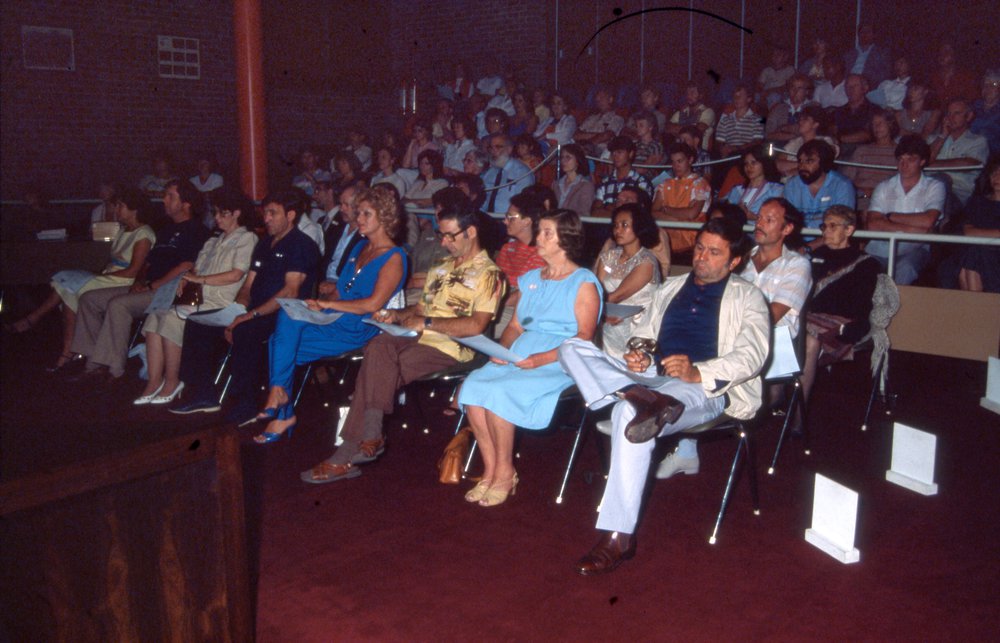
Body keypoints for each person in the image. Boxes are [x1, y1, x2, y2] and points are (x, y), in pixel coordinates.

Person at [557, 217, 769, 574]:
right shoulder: (670, 288)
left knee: (629, 417)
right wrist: (640, 357)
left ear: (734, 262)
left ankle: (618, 536)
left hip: (703, 387)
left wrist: (698, 371)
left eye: (714, 253)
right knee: (571, 348)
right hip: (654, 381)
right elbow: (642, 336)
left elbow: (752, 356)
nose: (701, 256)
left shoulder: (748, 298)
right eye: (700, 247)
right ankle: (635, 393)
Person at [299, 204, 505, 484]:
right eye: (440, 235)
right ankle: (370, 436)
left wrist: (427, 324)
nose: (443, 243)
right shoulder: (441, 268)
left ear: (470, 232)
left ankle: (347, 453)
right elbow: (419, 311)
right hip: (419, 337)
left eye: (449, 236)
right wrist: (397, 315)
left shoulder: (490, 274)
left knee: (377, 366)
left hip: (455, 347)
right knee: (380, 344)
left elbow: (476, 326)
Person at [458, 209, 601, 506]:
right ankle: (490, 470)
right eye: (540, 231)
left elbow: (584, 337)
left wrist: (539, 359)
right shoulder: (531, 278)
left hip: (562, 358)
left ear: (567, 240)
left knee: (500, 392)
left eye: (547, 233)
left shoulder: (583, 281)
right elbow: (514, 326)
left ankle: (506, 472)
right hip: (523, 350)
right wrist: (502, 353)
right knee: (473, 386)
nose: (539, 238)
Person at [252, 186, 408, 442]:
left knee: (279, 347)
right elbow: (343, 289)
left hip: (360, 326)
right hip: (336, 318)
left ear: (385, 217)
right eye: (358, 213)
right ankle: (280, 401)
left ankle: (283, 411)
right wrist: (322, 302)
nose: (358, 219)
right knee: (287, 323)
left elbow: (372, 304)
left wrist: (329, 306)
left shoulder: (395, 257)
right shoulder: (359, 246)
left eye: (366, 214)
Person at [169, 190, 319, 423]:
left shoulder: (301, 245)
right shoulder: (265, 243)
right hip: (254, 310)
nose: (266, 218)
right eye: (265, 213)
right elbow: (248, 284)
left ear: (291, 215)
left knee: (245, 331)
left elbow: (290, 291)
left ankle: (246, 403)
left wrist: (249, 315)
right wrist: (238, 308)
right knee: (197, 322)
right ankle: (203, 394)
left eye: (272, 213)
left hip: (284, 313)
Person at [69, 180, 210, 382]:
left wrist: (153, 285)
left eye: (170, 196)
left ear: (186, 203)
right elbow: (147, 264)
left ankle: (113, 368)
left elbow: (186, 266)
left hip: (169, 290)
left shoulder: (197, 231)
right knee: (89, 299)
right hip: (147, 286)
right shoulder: (165, 231)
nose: (164, 200)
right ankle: (94, 360)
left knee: (118, 305)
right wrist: (141, 280)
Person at [134, 186, 258, 405]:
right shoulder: (212, 241)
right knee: (156, 314)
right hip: (197, 300)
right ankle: (154, 381)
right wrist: (187, 277)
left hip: (220, 303)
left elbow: (235, 275)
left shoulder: (246, 239)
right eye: (216, 213)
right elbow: (196, 271)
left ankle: (173, 381)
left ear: (237, 213)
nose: (217, 218)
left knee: (172, 318)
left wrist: (197, 280)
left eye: (223, 213)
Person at [8, 188, 155, 372]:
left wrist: (102, 276)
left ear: (134, 209)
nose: (117, 210)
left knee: (69, 285)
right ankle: (66, 349)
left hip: (122, 281)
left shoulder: (143, 234)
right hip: (110, 276)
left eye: (120, 206)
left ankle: (49, 333)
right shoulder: (124, 231)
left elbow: (133, 271)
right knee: (66, 281)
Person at [800, 205, 882, 422]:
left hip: (839, 323)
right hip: (808, 316)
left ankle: (798, 414)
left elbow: (859, 308)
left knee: (806, 339)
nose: (826, 231)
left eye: (833, 226)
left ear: (849, 230)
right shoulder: (814, 257)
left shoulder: (866, 264)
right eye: (824, 226)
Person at [865, 134, 946, 285]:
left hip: (915, 248)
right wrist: (917, 230)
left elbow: (928, 220)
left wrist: (890, 216)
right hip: (880, 248)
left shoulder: (934, 186)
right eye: (901, 159)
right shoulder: (884, 186)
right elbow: (872, 224)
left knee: (905, 268)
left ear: (922, 161)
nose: (904, 164)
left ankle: (897, 308)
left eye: (911, 159)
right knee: (864, 269)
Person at [595, 203, 661, 359]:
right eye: (616, 225)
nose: (618, 230)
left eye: (624, 225)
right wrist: (601, 315)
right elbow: (596, 290)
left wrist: (597, 309)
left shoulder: (647, 261)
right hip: (608, 321)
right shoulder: (609, 257)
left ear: (639, 227)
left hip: (638, 326)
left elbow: (617, 296)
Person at [494, 192, 547, 336]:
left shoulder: (541, 253)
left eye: (510, 218)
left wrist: (493, 303)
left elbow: (527, 293)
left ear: (527, 221)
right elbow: (495, 281)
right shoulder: (507, 248)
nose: (505, 221)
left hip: (520, 308)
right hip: (500, 299)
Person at [783, 139, 856, 236]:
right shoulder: (792, 186)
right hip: (798, 241)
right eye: (800, 161)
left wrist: (809, 247)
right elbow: (787, 223)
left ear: (823, 162)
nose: (802, 166)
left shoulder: (842, 185)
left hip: (830, 242)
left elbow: (840, 229)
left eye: (809, 161)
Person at [652, 142, 711, 255]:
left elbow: (691, 214)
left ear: (690, 160)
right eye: (673, 162)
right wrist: (679, 219)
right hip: (665, 239)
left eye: (680, 161)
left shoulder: (700, 183)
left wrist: (666, 209)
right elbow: (654, 212)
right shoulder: (665, 184)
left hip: (691, 241)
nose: (676, 166)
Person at [929, 98, 990, 205]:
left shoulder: (977, 141)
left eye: (957, 113)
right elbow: (924, 158)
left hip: (955, 193)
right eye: (948, 113)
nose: (950, 117)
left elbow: (968, 164)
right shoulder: (935, 139)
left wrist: (933, 164)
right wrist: (943, 136)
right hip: (927, 189)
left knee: (942, 180)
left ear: (969, 116)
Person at [841, 109, 901, 210]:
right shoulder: (862, 150)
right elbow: (846, 178)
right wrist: (861, 190)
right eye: (873, 124)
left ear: (890, 124)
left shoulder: (899, 152)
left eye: (880, 123)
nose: (876, 128)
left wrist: (875, 191)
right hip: (859, 196)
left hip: (885, 199)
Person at [957, 155, 1000, 292]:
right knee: (972, 255)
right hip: (978, 251)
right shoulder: (977, 202)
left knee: (972, 257)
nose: (996, 177)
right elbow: (968, 232)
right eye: (994, 173)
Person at [592, 135, 653, 218]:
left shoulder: (641, 182)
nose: (615, 156)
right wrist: (621, 210)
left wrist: (606, 206)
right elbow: (595, 213)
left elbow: (638, 213)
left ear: (630, 154)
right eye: (613, 153)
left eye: (619, 152)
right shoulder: (605, 182)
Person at [726, 144, 784, 221]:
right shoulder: (736, 190)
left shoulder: (775, 189)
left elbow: (777, 220)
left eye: (753, 163)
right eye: (746, 164)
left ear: (764, 164)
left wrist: (754, 217)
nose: (749, 167)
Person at [480, 133, 535, 214]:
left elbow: (524, 204)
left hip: (507, 219)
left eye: (498, 147)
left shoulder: (522, 173)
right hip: (487, 218)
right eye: (491, 147)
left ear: (509, 149)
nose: (493, 151)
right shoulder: (489, 173)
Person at [715, 83, 765, 158]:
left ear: (749, 99)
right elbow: (719, 141)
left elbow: (757, 141)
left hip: (747, 155)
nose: (736, 98)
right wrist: (722, 148)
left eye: (740, 96)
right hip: (729, 155)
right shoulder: (725, 119)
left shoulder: (758, 119)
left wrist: (737, 148)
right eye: (735, 96)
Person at [832, 74, 877, 156]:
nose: (851, 89)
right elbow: (833, 130)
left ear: (865, 89)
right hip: (839, 150)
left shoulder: (874, 110)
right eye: (848, 86)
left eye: (855, 86)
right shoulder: (839, 111)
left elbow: (869, 134)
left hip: (864, 152)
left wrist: (841, 138)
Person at [765, 74, 815, 143]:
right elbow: (768, 134)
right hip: (778, 146)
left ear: (807, 91)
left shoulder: (813, 108)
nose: (795, 91)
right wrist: (795, 135)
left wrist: (782, 129)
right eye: (792, 87)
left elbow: (812, 133)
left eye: (799, 88)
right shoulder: (778, 108)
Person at [575, 87, 625, 156]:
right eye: (597, 99)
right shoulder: (591, 118)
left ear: (610, 99)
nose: (598, 101)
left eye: (602, 98)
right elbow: (576, 135)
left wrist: (586, 146)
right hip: (584, 148)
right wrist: (598, 134)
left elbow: (607, 135)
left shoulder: (617, 119)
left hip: (601, 151)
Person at [666, 81, 716, 149]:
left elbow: (698, 130)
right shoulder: (683, 110)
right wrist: (692, 125)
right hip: (680, 150)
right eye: (687, 93)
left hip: (698, 150)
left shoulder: (708, 111)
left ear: (701, 95)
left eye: (693, 92)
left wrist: (677, 128)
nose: (689, 96)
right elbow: (668, 128)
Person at [553, 143, 595, 218]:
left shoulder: (586, 186)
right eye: (562, 157)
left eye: (568, 157)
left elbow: (584, 213)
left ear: (577, 161)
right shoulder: (555, 184)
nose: (563, 161)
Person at [971, 70, 1000, 155]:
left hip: (994, 153)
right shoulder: (974, 106)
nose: (988, 88)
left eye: (994, 85)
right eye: (985, 84)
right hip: (970, 149)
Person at [630, 111, 665, 176]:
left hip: (644, 180)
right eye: (636, 126)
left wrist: (626, 170)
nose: (637, 128)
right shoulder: (634, 144)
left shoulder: (656, 146)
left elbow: (643, 169)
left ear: (650, 127)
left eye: (641, 125)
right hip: (630, 176)